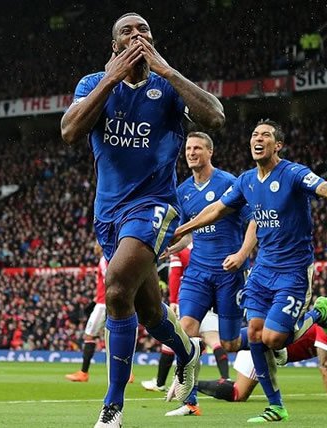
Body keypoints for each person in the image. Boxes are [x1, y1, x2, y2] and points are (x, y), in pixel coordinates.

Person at [60, 12, 225, 428]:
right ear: (114, 46)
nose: (138, 36)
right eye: (127, 32)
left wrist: (167, 71)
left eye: (145, 30)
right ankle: (188, 352)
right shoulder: (92, 83)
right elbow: (69, 132)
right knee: (149, 311)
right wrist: (110, 80)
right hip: (108, 214)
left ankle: (112, 406)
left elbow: (216, 117)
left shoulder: (166, 88)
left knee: (115, 288)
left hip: (154, 205)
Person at [172, 119, 327, 422]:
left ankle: (319, 313)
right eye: (254, 135)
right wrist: (181, 230)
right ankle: (276, 406)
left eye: (265, 135)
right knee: (253, 333)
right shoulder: (246, 181)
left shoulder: (292, 173)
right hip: (262, 269)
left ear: (278, 145)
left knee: (274, 339)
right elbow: (215, 210)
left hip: (292, 270)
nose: (258, 139)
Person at [161, 132, 257, 416]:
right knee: (186, 328)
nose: (191, 152)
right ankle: (189, 402)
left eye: (198, 148)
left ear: (210, 152)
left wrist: (241, 255)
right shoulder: (183, 191)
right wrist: (168, 247)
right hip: (198, 273)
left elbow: (254, 222)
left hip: (228, 273)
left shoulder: (228, 183)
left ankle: (269, 335)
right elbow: (187, 234)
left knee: (230, 342)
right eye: (189, 148)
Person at [198, 303, 327, 404]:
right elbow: (324, 366)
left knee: (238, 393)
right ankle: (191, 384)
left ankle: (190, 383)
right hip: (263, 347)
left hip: (270, 349)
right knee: (238, 395)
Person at [141, 246, 233, 399]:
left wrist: (173, 301)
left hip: (188, 301)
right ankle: (226, 377)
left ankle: (161, 383)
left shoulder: (181, 251)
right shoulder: (210, 248)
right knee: (214, 340)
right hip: (208, 299)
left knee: (172, 340)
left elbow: (176, 275)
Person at [65, 245, 134, 384]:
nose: (95, 246)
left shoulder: (104, 259)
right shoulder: (116, 257)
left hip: (104, 303)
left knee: (90, 335)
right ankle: (128, 374)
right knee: (113, 337)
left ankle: (83, 373)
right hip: (110, 301)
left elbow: (109, 280)